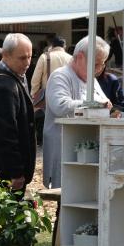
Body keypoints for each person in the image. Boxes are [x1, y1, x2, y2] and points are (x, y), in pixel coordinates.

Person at [43, 36, 112, 188]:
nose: (100, 69)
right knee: (65, 193)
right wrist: (94, 104)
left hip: (87, 149)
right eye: (96, 64)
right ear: (80, 57)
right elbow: (60, 106)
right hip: (64, 150)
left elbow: (103, 102)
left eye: (102, 64)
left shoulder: (91, 79)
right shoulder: (60, 76)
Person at [0, 34, 35, 188]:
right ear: (6, 55)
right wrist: (15, 172)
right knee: (4, 204)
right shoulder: (2, 86)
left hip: (5, 171)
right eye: (22, 58)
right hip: (4, 173)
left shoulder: (11, 76)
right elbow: (3, 134)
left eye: (30, 57)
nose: (27, 63)